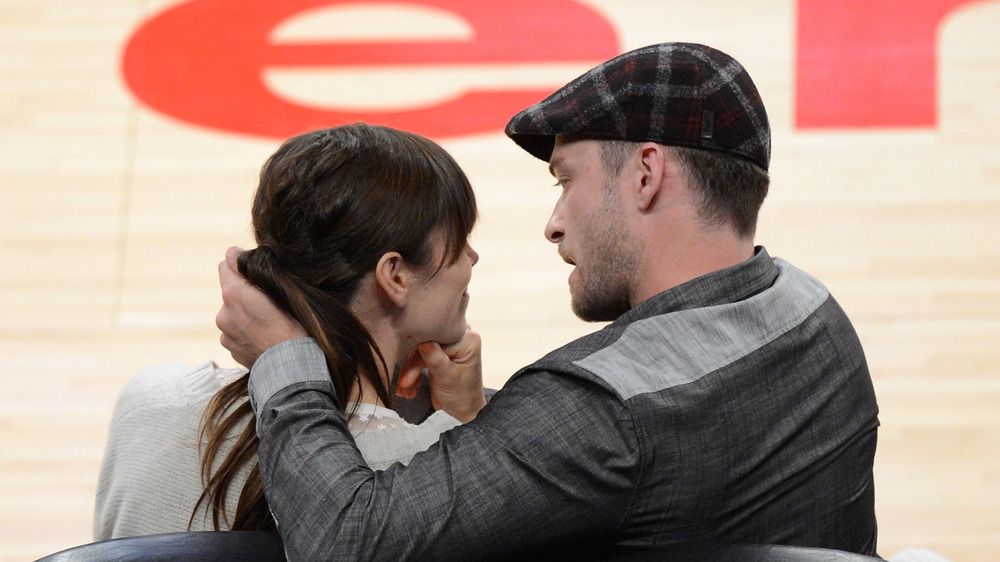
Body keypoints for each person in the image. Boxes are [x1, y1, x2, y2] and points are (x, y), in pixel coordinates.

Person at [216, 43, 880, 560]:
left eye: (567, 180)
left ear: (646, 175)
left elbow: (346, 541)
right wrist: (483, 417)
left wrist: (285, 359)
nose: (555, 222)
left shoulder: (597, 409)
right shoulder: (813, 311)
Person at [93, 124, 486, 539]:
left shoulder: (148, 400)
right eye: (459, 240)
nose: (472, 258)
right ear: (395, 276)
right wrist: (470, 422)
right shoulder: (435, 473)